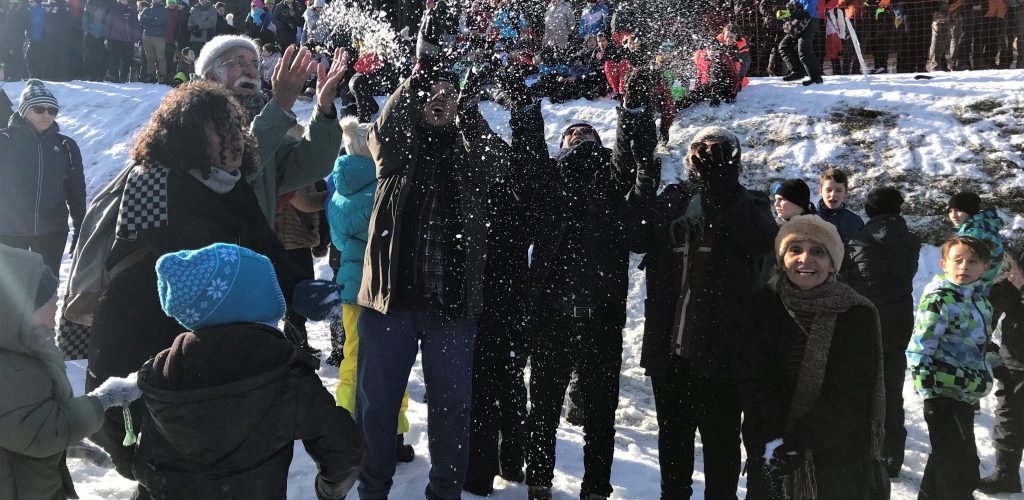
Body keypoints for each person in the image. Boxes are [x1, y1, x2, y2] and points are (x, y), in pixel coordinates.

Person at [83, 82, 339, 498]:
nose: (234, 140)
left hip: (198, 343)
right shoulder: (152, 182)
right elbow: (188, 262)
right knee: (160, 463)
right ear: (186, 135)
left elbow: (261, 243)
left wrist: (298, 288)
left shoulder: (229, 183)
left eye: (236, 127)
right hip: (140, 334)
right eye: (218, 130)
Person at [353, 20, 523, 498]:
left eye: (450, 95)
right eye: (434, 94)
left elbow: (498, 162)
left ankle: (445, 491)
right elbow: (388, 122)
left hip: (451, 310)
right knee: (377, 408)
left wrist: (466, 108)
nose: (440, 101)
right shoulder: (395, 153)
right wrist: (422, 72)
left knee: (452, 408)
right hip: (389, 305)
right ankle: (372, 490)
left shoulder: (471, 160)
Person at [132, 242, 363, 499]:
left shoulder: (159, 372)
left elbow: (143, 458)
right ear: (252, 302)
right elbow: (345, 451)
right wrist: (328, 492)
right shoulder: (285, 370)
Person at [624, 126, 778, 499]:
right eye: (702, 150)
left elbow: (761, 242)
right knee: (673, 448)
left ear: (735, 158)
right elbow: (635, 236)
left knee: (721, 451)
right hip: (672, 350)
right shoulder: (674, 200)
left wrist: (724, 189)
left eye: (719, 150)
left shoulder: (751, 203)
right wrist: (644, 179)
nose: (710, 156)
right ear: (690, 158)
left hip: (723, 355)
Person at [740, 215, 889, 499]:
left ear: (833, 262)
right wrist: (775, 439)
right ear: (783, 258)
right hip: (771, 450)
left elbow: (850, 391)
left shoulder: (856, 314)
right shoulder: (763, 305)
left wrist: (801, 441)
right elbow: (753, 378)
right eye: (795, 249)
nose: (805, 259)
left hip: (834, 456)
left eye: (818, 251)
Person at [0, 243, 140, 500]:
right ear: (14, 311)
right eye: (48, 303)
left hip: (34, 478)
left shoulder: (23, 348)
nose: (56, 308)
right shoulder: (11, 370)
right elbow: (43, 432)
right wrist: (103, 400)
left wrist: (70, 440)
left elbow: (24, 422)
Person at [327, 116, 416, 467]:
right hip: (384, 290)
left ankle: (346, 434)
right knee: (391, 365)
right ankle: (391, 434)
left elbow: (337, 242)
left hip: (351, 290)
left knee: (352, 362)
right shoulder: (383, 189)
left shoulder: (340, 191)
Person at [193, 35, 348, 224]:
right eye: (239, 63)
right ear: (211, 77)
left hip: (254, 249)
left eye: (255, 64)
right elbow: (236, 168)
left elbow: (310, 165)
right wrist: (280, 106)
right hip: (211, 250)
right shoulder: (192, 120)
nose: (251, 72)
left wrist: (324, 111)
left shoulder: (264, 119)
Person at [841, 186, 921, 478]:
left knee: (863, 388)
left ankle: (865, 447)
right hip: (899, 322)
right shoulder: (911, 241)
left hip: (866, 321)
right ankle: (892, 454)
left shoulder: (858, 240)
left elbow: (848, 279)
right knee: (892, 388)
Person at [908, 236, 996, 499]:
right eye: (957, 260)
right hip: (943, 395)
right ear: (944, 263)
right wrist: (929, 395)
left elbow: (979, 344)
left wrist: (995, 363)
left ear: (985, 267)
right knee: (960, 467)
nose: (964, 266)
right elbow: (919, 349)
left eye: (972, 261)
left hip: (966, 392)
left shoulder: (979, 301)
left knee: (944, 460)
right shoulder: (941, 300)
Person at [0, 80, 86, 274]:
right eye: (39, 109)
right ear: (24, 110)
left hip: (52, 231)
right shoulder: (4, 140)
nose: (47, 115)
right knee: (10, 299)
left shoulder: (66, 146)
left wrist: (81, 227)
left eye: (52, 110)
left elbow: (76, 191)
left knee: (46, 294)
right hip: (8, 231)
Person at [979, 248, 1024, 493]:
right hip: (1018, 353)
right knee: (1010, 414)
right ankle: (1006, 473)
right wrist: (1014, 286)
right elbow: (995, 299)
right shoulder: (1018, 256)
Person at [948, 191, 1004, 291]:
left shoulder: (974, 233)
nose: (953, 215)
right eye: (950, 211)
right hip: (984, 288)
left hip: (975, 290)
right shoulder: (983, 227)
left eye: (958, 210)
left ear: (970, 211)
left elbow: (966, 268)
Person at [777, 0, 824, 85]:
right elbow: (792, 7)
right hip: (798, 24)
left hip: (811, 22)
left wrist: (790, 13)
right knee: (784, 46)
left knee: (803, 50)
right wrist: (784, 14)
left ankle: (816, 77)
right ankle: (797, 72)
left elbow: (808, 13)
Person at [815, 167, 864, 242]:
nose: (833, 195)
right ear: (820, 191)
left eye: (838, 190)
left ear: (846, 192)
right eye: (829, 190)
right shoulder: (809, 219)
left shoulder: (855, 223)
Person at [105, 0, 141, 82]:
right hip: (115, 38)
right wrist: (108, 37)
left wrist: (136, 37)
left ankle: (123, 76)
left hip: (128, 39)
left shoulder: (131, 10)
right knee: (114, 58)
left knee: (127, 59)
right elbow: (109, 24)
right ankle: (114, 76)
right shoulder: (114, 9)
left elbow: (135, 25)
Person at [140, 0, 170, 83]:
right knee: (149, 57)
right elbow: (141, 19)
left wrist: (148, 20)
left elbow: (162, 21)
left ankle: (162, 76)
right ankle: (151, 75)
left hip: (159, 36)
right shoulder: (147, 8)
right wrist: (153, 18)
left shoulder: (163, 9)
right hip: (147, 35)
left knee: (160, 58)